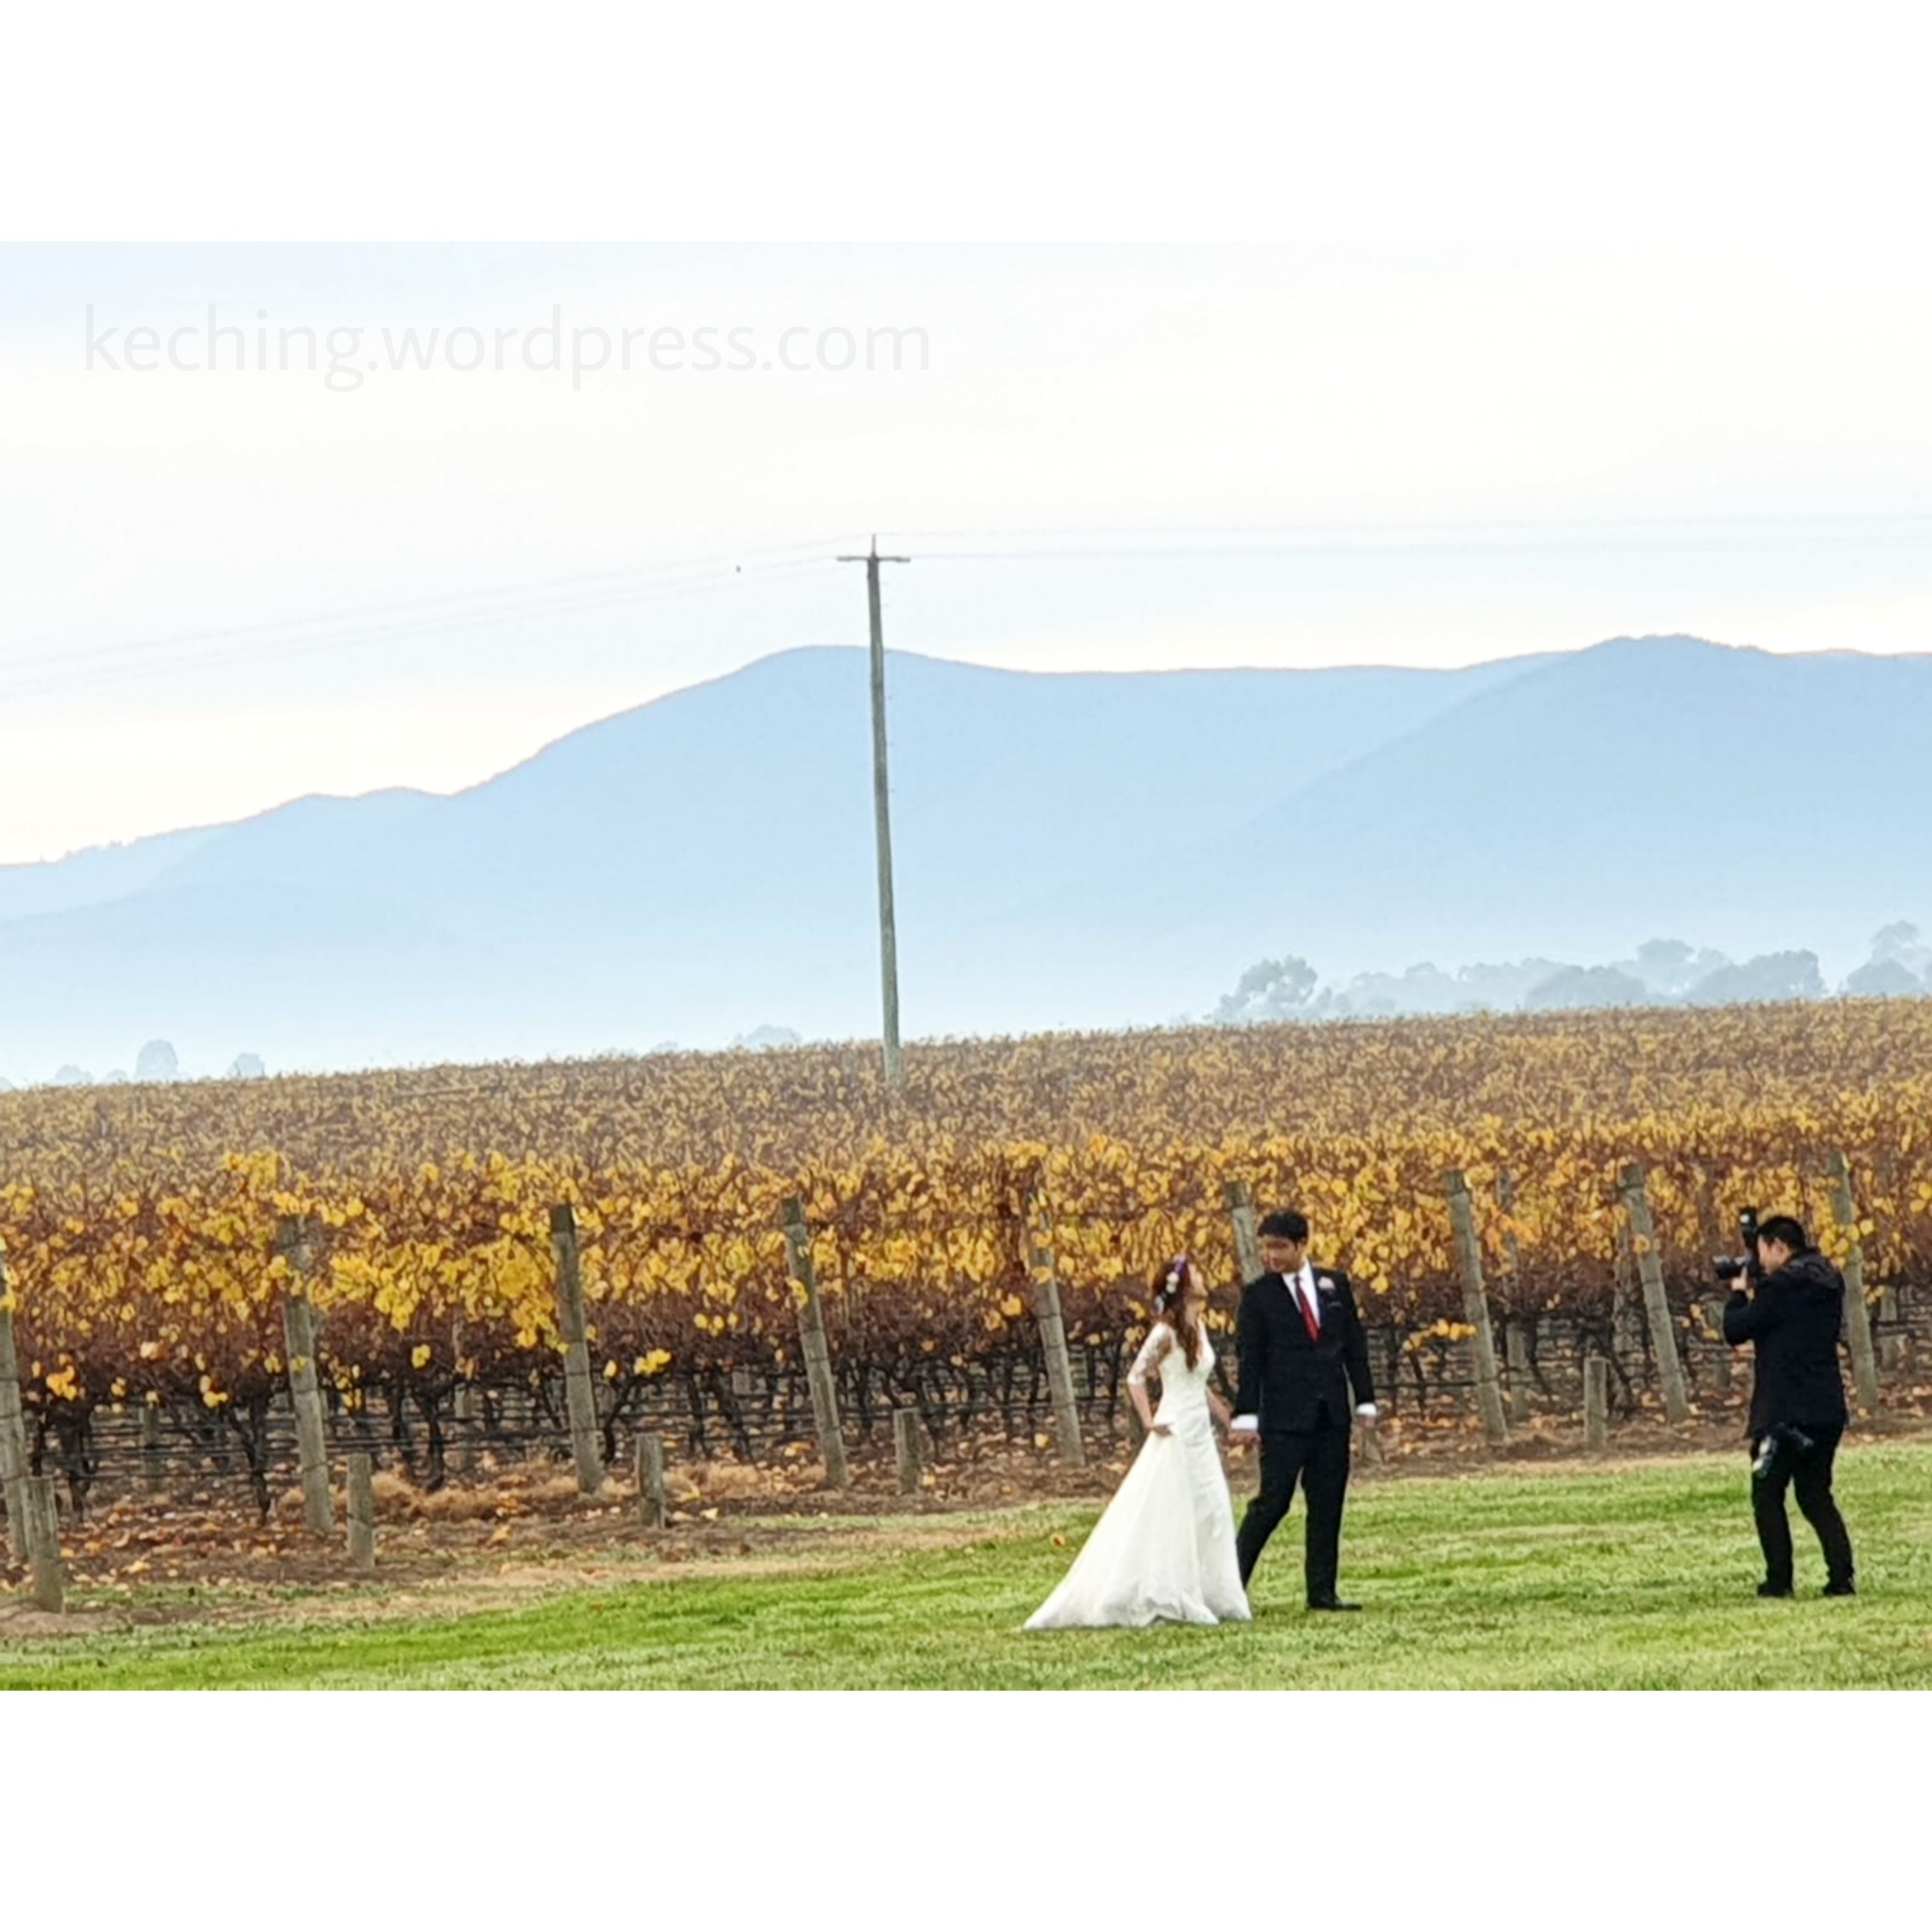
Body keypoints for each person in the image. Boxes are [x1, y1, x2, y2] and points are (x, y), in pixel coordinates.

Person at [1025, 1256, 1250, 1629]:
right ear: (1182, 1287)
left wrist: (1226, 1418)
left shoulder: (1199, 1327)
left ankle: (1216, 1591)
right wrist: (1150, 1420)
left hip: (1199, 1433)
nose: (1203, 1277)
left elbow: (1198, 1382)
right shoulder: (1165, 1333)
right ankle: (1168, 1591)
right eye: (1195, 1274)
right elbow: (1136, 1377)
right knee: (1171, 1509)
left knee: (1212, 1508)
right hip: (1176, 1429)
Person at [1229, 1209, 1377, 1610]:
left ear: (1301, 1245)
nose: (1272, 1256)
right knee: (1272, 1502)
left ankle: (1323, 1592)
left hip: (1330, 1415)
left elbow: (1354, 1347)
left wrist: (1365, 1399)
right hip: (1283, 1418)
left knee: (1328, 1501)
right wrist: (1246, 1415)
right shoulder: (1258, 1296)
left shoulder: (1334, 1286)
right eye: (1267, 1248)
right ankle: (1230, 1586)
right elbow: (1251, 1359)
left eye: (1279, 1247)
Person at [1722, 1213, 1857, 1599]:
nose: (1759, 1261)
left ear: (1779, 1247)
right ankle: (1841, 1577)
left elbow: (1737, 1329)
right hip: (1826, 1407)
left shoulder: (1781, 1288)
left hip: (1783, 1412)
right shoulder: (1830, 1280)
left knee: (1767, 1493)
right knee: (1815, 1494)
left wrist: (1738, 1291)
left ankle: (1778, 1580)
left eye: (1762, 1251)